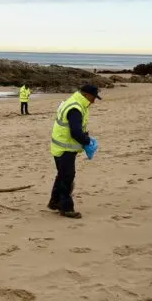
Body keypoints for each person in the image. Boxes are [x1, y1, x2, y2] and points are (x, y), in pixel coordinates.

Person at [48, 83, 101, 218]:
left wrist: (84, 136)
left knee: (62, 174)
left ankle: (54, 202)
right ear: (87, 95)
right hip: (65, 147)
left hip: (59, 145)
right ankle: (66, 208)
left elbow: (76, 128)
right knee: (67, 177)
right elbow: (75, 133)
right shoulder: (76, 108)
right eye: (93, 97)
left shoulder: (73, 102)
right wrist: (87, 141)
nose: (94, 101)